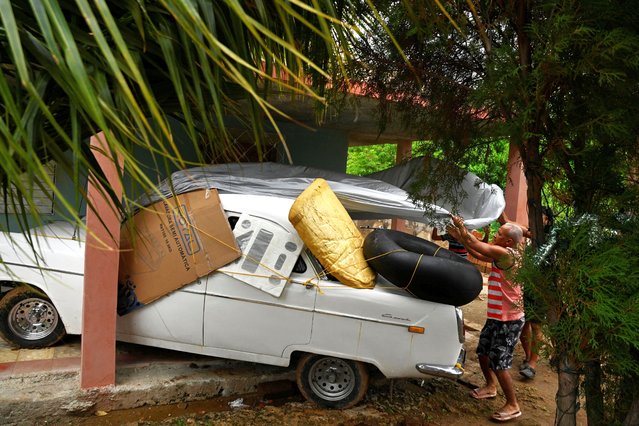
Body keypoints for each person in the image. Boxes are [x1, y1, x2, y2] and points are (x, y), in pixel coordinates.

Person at [447, 216, 525, 422]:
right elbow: (475, 252)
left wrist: (461, 227)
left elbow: (475, 244)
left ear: (508, 242)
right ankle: (490, 387)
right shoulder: (501, 253)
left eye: (499, 234)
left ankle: (513, 405)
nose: (495, 235)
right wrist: (462, 238)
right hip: (497, 316)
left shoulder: (507, 254)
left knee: (500, 362)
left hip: (509, 320)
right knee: (483, 352)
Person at [518, 206, 554, 379]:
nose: (536, 219)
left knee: (536, 325)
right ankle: (527, 356)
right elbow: (509, 224)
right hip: (527, 287)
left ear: (547, 220)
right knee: (523, 324)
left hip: (542, 289)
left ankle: (533, 363)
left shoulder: (550, 239)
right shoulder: (532, 236)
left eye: (540, 216)